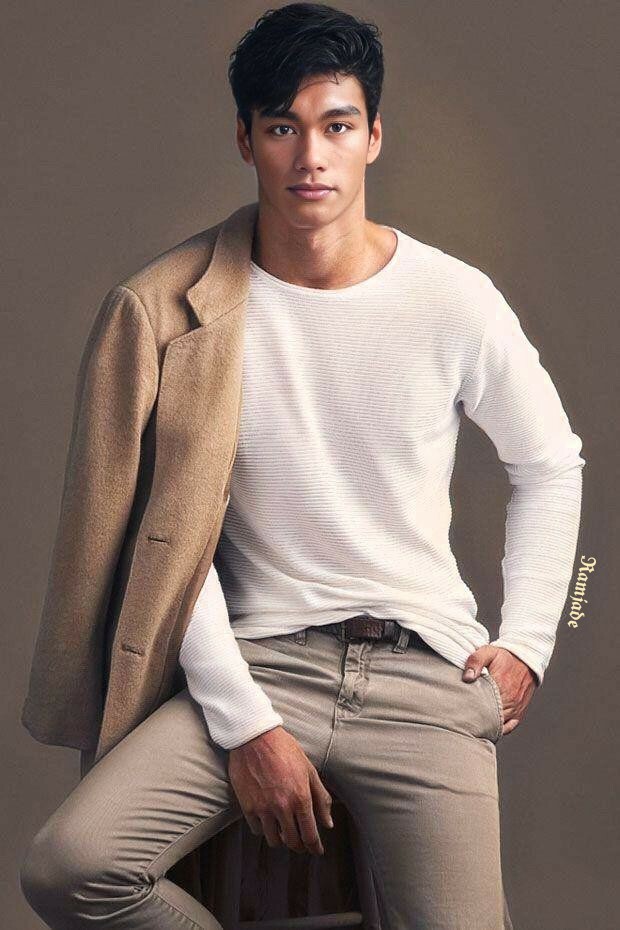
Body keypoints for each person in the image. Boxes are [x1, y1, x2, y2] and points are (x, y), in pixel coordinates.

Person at [19, 4, 585, 928]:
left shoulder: (454, 300)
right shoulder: (169, 309)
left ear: (373, 137)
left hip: (423, 678)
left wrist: (535, 638)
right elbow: (167, 544)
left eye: (336, 126)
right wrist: (246, 722)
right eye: (283, 128)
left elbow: (554, 464)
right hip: (257, 663)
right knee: (71, 867)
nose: (311, 157)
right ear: (246, 141)